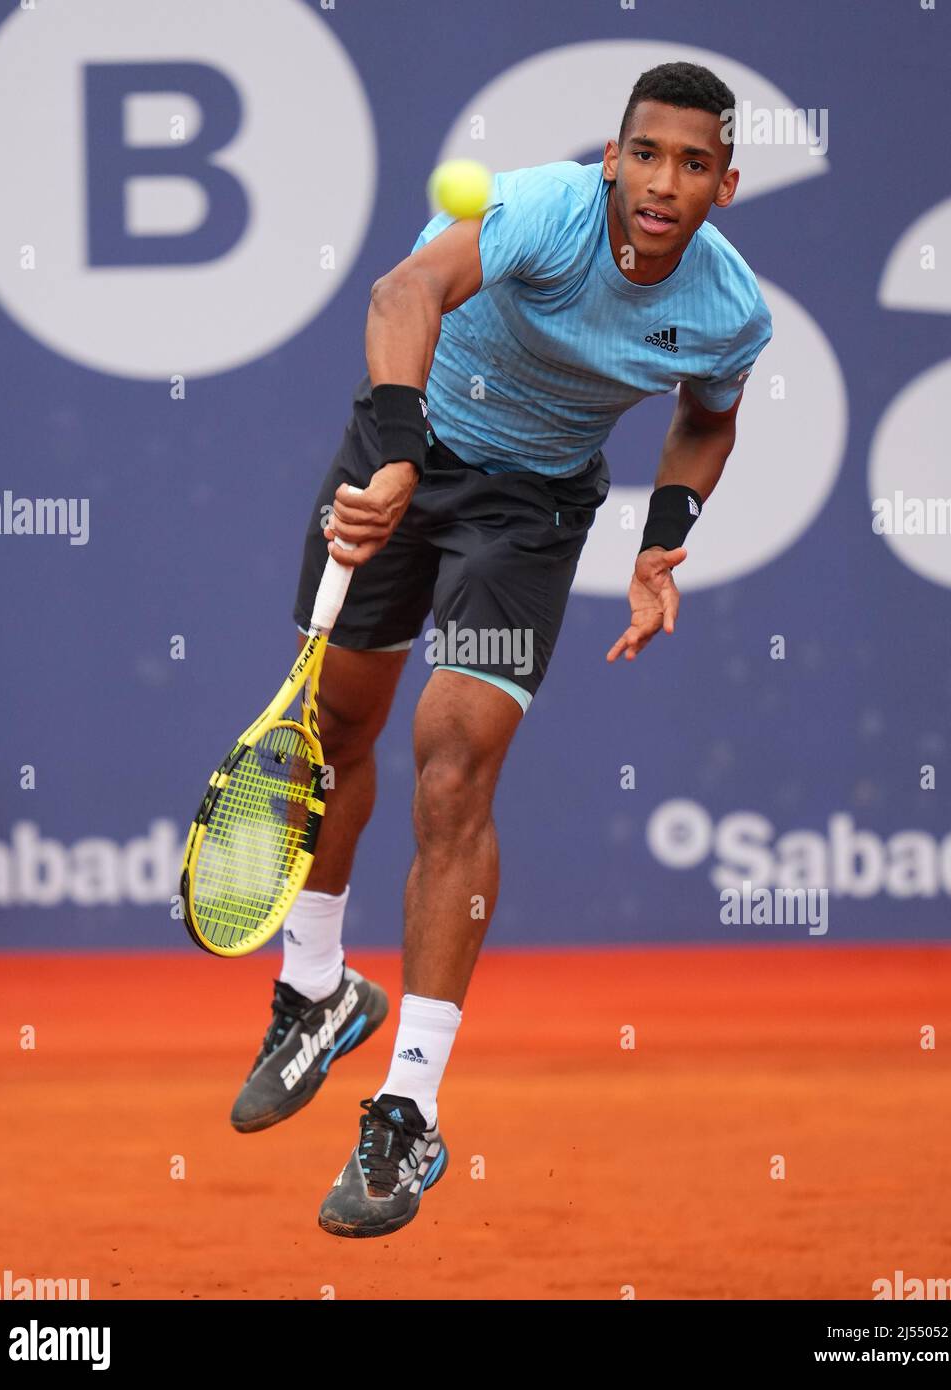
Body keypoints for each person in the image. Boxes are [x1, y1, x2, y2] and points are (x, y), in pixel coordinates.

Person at [229, 60, 773, 1239]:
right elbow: (400, 292)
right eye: (644, 154)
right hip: (404, 450)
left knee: (451, 758)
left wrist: (660, 538)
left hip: (526, 516)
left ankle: (408, 1107)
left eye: (691, 163)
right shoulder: (535, 208)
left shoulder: (728, 309)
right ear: (611, 158)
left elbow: (705, 416)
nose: (660, 182)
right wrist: (389, 454)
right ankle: (316, 989)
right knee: (338, 729)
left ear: (723, 185)